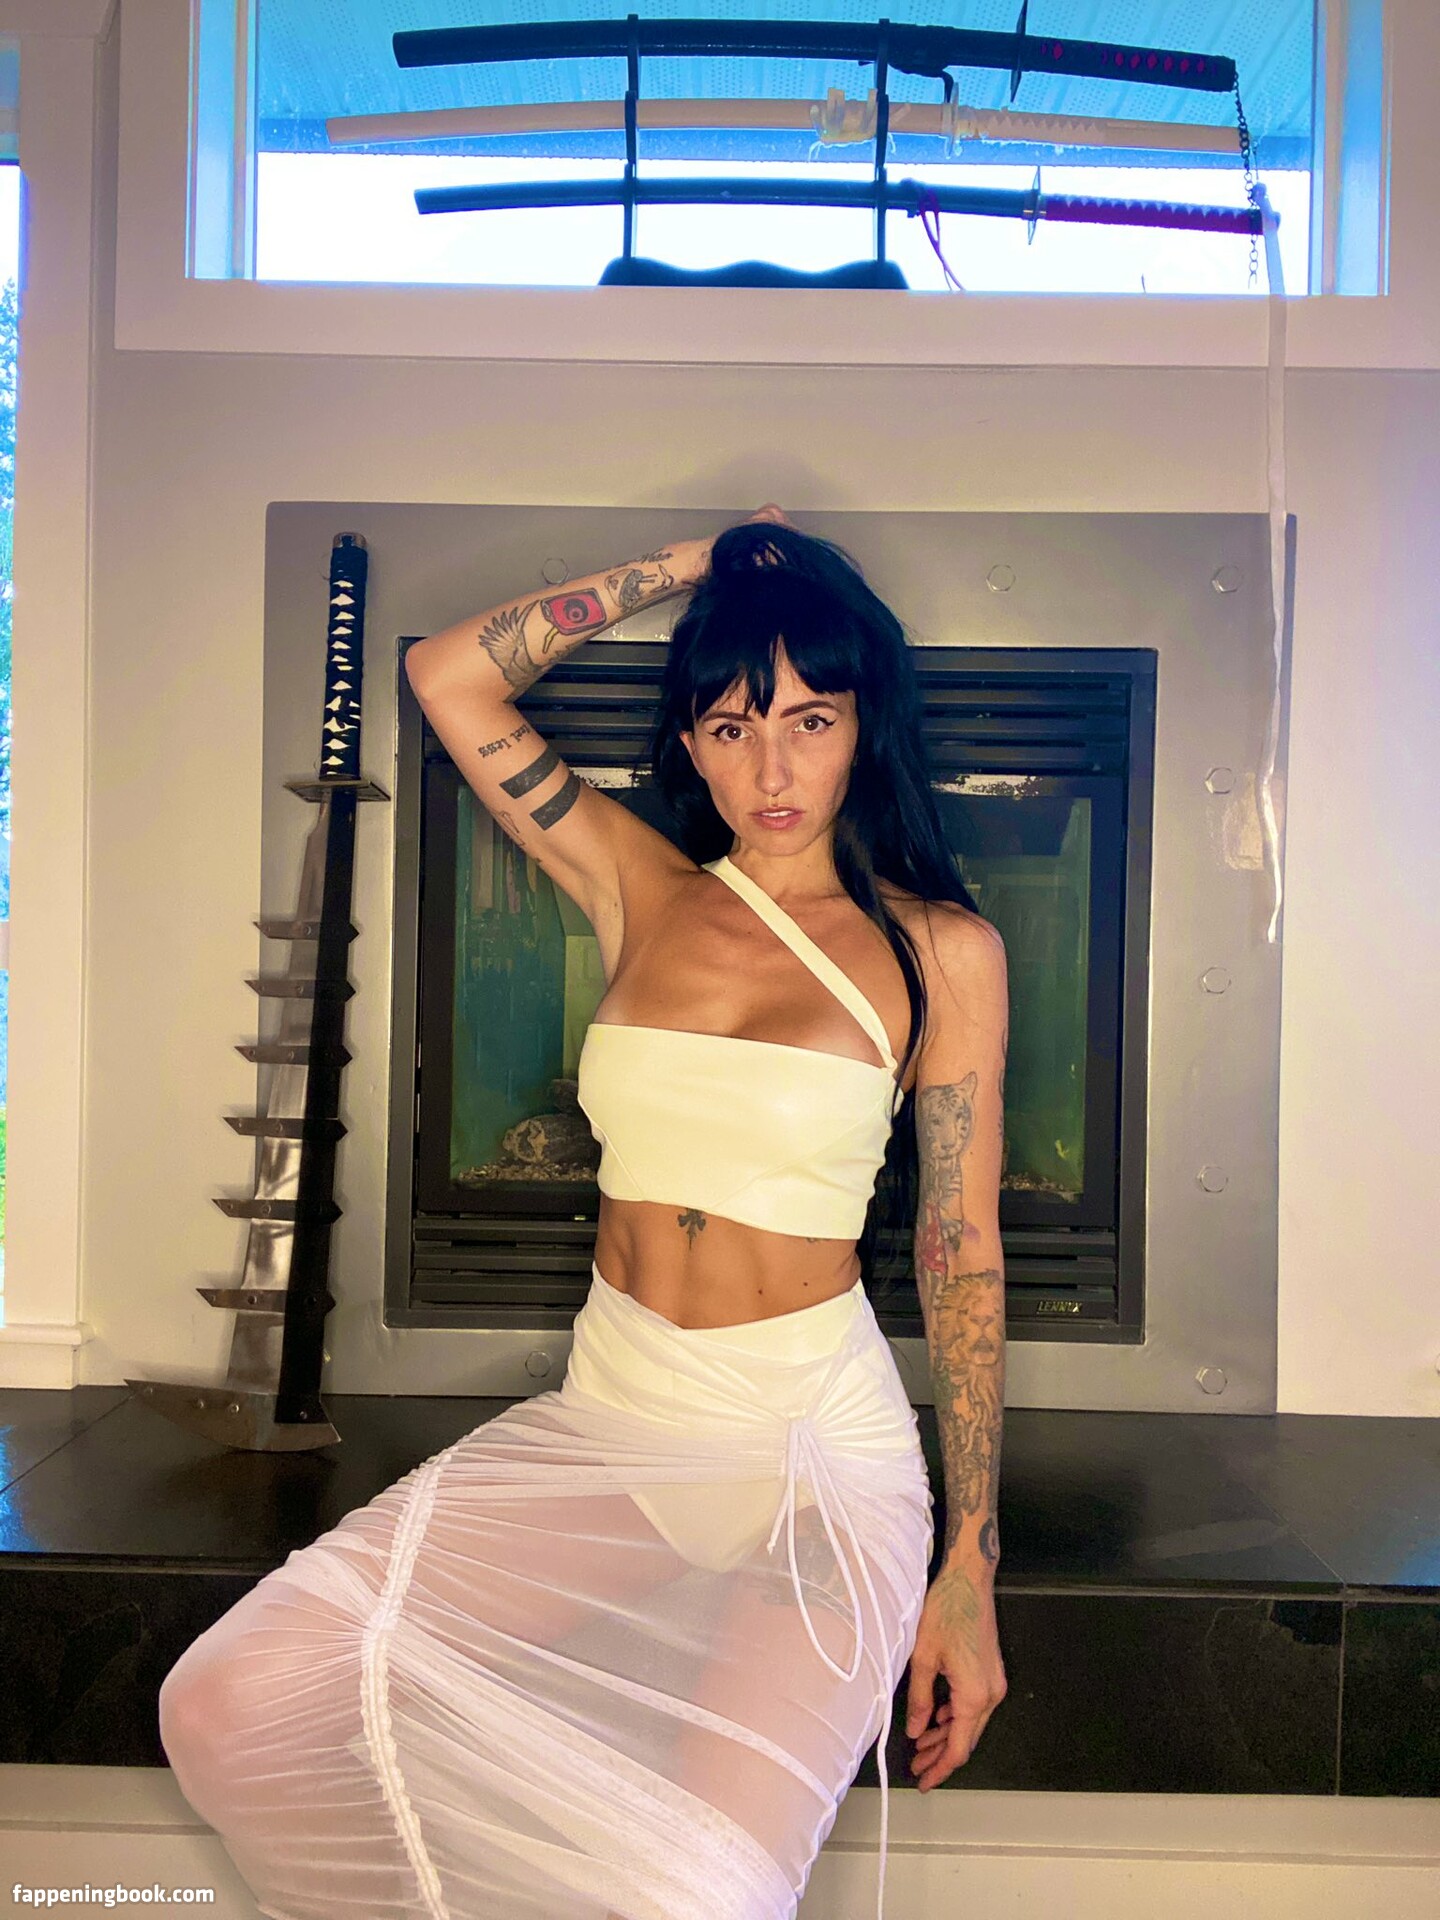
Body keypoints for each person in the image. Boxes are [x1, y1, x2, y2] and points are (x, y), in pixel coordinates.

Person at [157, 506, 1011, 1920]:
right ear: (690, 745)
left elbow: (960, 1251)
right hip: (618, 1424)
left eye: (810, 720)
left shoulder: (939, 951)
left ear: (865, 729)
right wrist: (696, 563)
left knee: (695, 1894)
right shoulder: (639, 887)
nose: (773, 769)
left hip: (811, 1458)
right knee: (232, 1701)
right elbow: (445, 676)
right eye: (732, 728)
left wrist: (969, 1561)